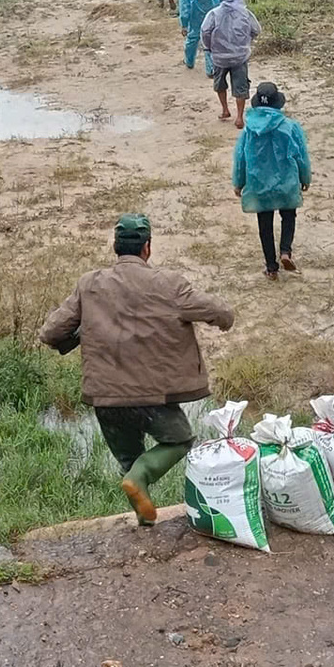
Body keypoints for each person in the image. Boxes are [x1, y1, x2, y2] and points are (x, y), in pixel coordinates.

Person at [40, 214, 235, 526]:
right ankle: (142, 478)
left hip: (105, 398)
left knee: (129, 462)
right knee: (180, 439)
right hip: (152, 398)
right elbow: (219, 312)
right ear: (147, 248)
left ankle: (144, 519)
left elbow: (50, 333)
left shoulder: (89, 284)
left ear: (116, 248)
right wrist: (226, 320)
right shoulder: (170, 284)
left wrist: (78, 333)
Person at [233, 83, 311, 280]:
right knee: (289, 216)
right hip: (286, 182)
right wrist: (305, 177)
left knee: (265, 225)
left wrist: (239, 182)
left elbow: (241, 158)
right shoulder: (290, 126)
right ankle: (285, 251)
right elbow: (301, 156)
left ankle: (271, 267)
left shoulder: (249, 131)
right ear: (278, 103)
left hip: (259, 184)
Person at [200, 0, 260, 128]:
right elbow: (256, 29)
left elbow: (205, 31)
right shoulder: (245, 13)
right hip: (240, 56)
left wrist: (209, 47)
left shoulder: (214, 13)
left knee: (220, 84)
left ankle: (225, 110)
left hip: (220, 57)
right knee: (240, 87)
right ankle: (239, 117)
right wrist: (246, 40)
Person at [178, 0, 222, 74]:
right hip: (212, 16)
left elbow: (184, 9)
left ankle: (189, 61)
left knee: (192, 40)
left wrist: (183, 24)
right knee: (209, 42)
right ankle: (211, 69)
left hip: (195, 19)